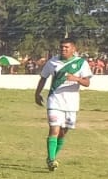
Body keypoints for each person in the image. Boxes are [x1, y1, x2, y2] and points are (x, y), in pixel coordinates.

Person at [35, 38, 91, 171]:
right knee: (54, 129)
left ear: (73, 49)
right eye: (62, 47)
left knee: (63, 133)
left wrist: (76, 78)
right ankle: (51, 159)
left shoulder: (81, 63)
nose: (63, 49)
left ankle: (52, 156)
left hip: (71, 104)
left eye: (66, 47)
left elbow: (87, 83)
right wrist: (37, 93)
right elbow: (43, 78)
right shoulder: (52, 62)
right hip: (54, 101)